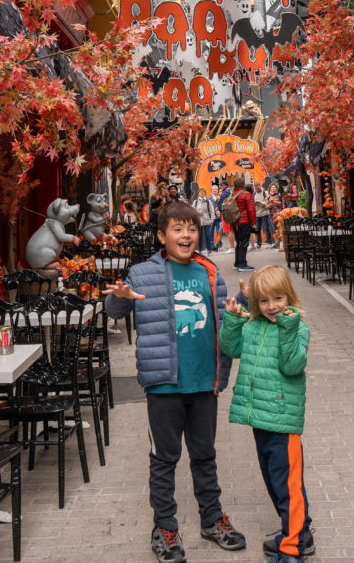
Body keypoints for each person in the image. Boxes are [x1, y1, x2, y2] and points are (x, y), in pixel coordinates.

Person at [104, 201, 246, 563]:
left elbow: (223, 323)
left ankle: (212, 519)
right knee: (164, 459)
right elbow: (116, 310)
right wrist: (117, 300)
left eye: (192, 229)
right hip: (164, 385)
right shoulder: (141, 273)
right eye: (178, 229)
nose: (186, 235)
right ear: (161, 235)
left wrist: (240, 310)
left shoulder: (211, 271)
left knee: (205, 456)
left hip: (203, 383)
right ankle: (164, 527)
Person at [219, 266, 313, 563]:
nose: (272, 306)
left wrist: (287, 328)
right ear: (255, 302)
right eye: (264, 301)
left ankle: (291, 549)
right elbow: (230, 348)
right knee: (276, 483)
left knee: (288, 487)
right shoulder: (252, 326)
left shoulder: (298, 328)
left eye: (278, 298)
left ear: (290, 297)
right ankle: (299, 534)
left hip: (283, 421)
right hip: (259, 419)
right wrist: (233, 319)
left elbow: (292, 366)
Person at [232, 175, 256, 272]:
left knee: (238, 243)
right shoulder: (246, 194)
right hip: (244, 222)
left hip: (234, 222)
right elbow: (251, 210)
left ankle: (237, 263)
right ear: (243, 185)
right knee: (244, 242)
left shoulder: (232, 194)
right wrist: (253, 222)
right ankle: (242, 264)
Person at [193, 186, 215, 253]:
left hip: (207, 221)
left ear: (205, 193)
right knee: (200, 237)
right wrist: (197, 213)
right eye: (200, 192)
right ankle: (200, 250)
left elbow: (212, 211)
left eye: (203, 192)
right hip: (199, 221)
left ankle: (209, 250)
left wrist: (212, 220)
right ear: (198, 193)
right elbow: (192, 211)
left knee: (207, 236)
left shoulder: (208, 201)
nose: (202, 193)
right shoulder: (195, 202)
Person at [217, 181, 235, 252]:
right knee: (233, 230)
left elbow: (221, 205)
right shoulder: (231, 191)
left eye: (221, 185)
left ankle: (232, 247)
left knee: (229, 231)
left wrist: (219, 208)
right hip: (233, 213)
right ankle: (235, 246)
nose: (220, 187)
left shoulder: (225, 193)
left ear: (224, 185)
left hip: (226, 214)